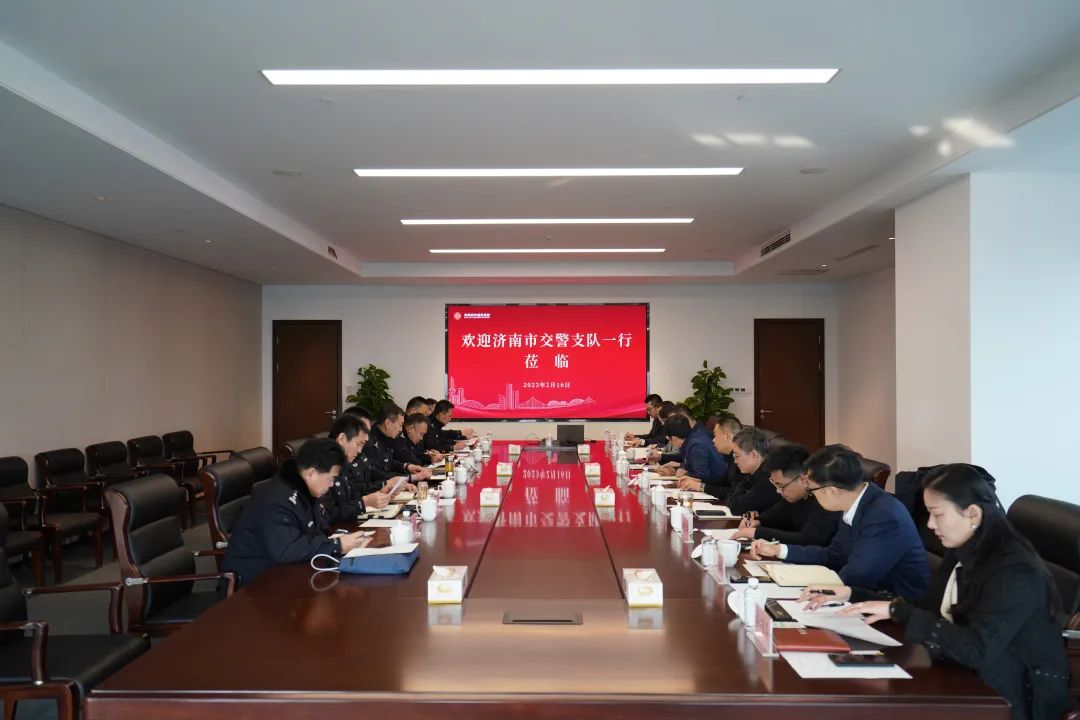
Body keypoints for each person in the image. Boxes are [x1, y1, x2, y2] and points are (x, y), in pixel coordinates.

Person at [802, 465, 1070, 720]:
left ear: (972, 514)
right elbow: (927, 607)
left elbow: (977, 649)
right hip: (960, 675)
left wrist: (901, 612)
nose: (930, 524)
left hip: (1012, 698)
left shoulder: (1014, 570)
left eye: (937, 514)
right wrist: (853, 595)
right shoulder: (964, 551)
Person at [751, 444, 929, 600]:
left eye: (812, 490)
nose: (811, 495)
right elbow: (834, 555)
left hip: (892, 611)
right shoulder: (856, 502)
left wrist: (813, 586)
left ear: (833, 491)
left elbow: (858, 576)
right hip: (862, 596)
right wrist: (779, 550)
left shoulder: (884, 516)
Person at [222, 439, 368, 586]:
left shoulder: (304, 489)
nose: (332, 485)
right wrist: (337, 545)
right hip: (253, 585)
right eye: (331, 479)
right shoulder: (276, 501)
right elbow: (287, 550)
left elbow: (319, 528)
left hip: (284, 573)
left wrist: (336, 543)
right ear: (311, 473)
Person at [731, 443, 840, 546]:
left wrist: (757, 533)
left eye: (781, 485)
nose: (778, 491)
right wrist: (758, 521)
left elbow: (807, 540)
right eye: (775, 485)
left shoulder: (826, 499)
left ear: (802, 480)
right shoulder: (794, 498)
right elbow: (776, 515)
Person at [323, 414, 398, 522]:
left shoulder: (343, 463)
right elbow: (326, 514)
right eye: (358, 444)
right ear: (342, 438)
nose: (359, 451)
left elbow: (351, 493)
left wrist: (378, 493)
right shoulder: (323, 466)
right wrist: (364, 502)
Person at [364, 403, 431, 486]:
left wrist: (407, 466)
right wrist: (409, 477)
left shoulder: (388, 437)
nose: (401, 429)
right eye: (400, 425)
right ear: (388, 423)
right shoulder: (369, 443)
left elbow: (389, 463)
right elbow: (376, 474)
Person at [719, 427, 780, 515]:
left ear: (753, 455)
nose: (735, 461)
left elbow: (736, 507)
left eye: (737, 456)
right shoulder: (752, 473)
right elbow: (730, 495)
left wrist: (739, 499)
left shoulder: (769, 479)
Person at [657, 414, 727, 487]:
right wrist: (674, 470)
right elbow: (691, 466)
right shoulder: (693, 439)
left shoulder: (696, 446)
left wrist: (685, 474)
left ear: (674, 438)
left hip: (717, 487)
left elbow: (702, 476)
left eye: (669, 439)